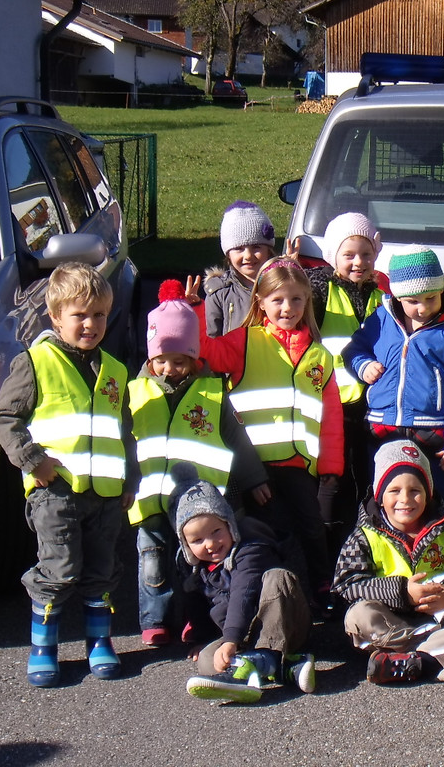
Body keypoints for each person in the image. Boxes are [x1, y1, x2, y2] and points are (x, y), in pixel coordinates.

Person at [0, 261, 139, 687]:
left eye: (100, 315)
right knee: (59, 567)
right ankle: (44, 647)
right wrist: (31, 459)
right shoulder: (35, 362)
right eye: (80, 315)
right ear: (56, 317)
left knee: (102, 569)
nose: (91, 324)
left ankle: (99, 641)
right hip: (55, 490)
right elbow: (6, 418)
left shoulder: (115, 370)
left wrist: (130, 479)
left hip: (105, 492)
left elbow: (123, 430)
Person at [186, 257, 344, 613]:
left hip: (299, 464)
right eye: (278, 300)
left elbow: (331, 415)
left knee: (313, 528)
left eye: (296, 299)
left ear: (307, 301)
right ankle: (268, 598)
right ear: (260, 301)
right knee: (266, 533)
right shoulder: (244, 341)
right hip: (254, 465)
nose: (288, 308)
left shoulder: (319, 354)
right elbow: (205, 352)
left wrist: (330, 466)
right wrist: (194, 310)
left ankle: (322, 588)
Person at [127, 279, 269, 647]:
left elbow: (237, 438)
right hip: (151, 497)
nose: (169, 369)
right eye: (161, 360)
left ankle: (196, 617)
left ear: (194, 358)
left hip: (199, 501)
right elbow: (123, 440)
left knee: (197, 561)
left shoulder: (212, 391)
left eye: (179, 361)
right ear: (149, 359)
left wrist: (254, 478)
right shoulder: (135, 392)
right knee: (153, 557)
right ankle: (155, 619)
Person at [332, 440, 444, 684]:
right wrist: (402, 592)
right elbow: (345, 586)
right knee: (358, 616)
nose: (405, 499)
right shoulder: (363, 536)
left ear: (428, 493)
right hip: (395, 626)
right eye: (394, 491)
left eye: (415, 490)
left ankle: (417, 661)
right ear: (380, 496)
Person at [343, 245, 444, 514]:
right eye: (413, 302)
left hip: (433, 433)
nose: (423, 308)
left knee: (439, 499)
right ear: (397, 297)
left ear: (442, 290)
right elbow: (353, 349)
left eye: (431, 297)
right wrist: (363, 365)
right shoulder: (381, 319)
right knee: (383, 497)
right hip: (382, 427)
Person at [173, 465, 315, 704]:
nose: (210, 544)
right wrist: (201, 638)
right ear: (186, 546)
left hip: (285, 626)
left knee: (278, 577)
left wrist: (230, 640)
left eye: (216, 531)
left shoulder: (250, 548)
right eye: (197, 540)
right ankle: (284, 667)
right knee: (208, 661)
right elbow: (196, 604)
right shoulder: (194, 568)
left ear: (230, 525)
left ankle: (259, 663)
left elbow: (243, 592)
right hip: (244, 637)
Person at [292, 212, 386, 547]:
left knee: (365, 476)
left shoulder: (380, 296)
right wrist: (290, 274)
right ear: (334, 256)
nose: (358, 262)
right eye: (349, 255)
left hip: (370, 404)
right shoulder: (321, 289)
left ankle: (363, 540)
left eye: (366, 254)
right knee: (333, 477)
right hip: (332, 403)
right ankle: (327, 545)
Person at [203, 200, 277, 336]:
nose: (248, 256)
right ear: (228, 254)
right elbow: (212, 339)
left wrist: (292, 273)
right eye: (239, 249)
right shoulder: (220, 293)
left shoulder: (281, 285)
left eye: (256, 247)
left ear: (268, 250)